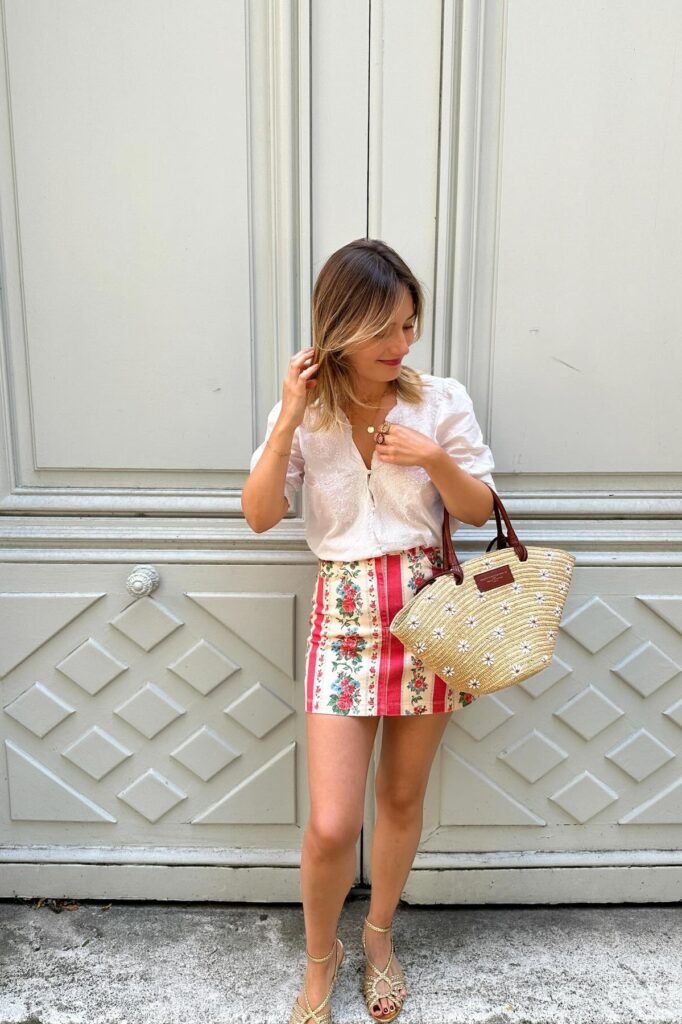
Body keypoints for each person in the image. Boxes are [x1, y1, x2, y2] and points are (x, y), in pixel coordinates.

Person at [242, 238, 496, 1024]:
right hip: (344, 617)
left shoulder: (439, 400)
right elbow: (260, 516)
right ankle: (321, 958)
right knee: (330, 824)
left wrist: (434, 459)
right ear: (341, 326)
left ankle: (379, 937)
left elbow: (478, 511)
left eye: (409, 324)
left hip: (427, 616)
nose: (401, 343)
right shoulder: (307, 411)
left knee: (401, 797)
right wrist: (288, 418)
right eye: (383, 327)